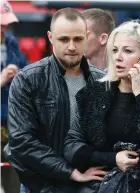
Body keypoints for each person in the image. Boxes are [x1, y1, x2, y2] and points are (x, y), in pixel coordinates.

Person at [65, 20, 140, 193]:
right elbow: (71, 145)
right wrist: (112, 158)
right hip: (99, 186)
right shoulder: (96, 90)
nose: (118, 57)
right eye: (115, 50)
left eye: (127, 51)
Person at [4, 8, 106, 193]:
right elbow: (22, 141)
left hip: (89, 184)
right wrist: (69, 172)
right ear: (50, 38)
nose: (72, 46)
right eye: (64, 39)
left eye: (78, 39)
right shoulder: (29, 79)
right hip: (41, 184)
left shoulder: (103, 81)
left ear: (87, 36)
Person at [1, 1, 27, 193]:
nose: (4, 28)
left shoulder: (11, 43)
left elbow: (26, 70)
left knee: (13, 172)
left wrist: (21, 75)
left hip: (11, 119)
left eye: (6, 23)